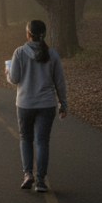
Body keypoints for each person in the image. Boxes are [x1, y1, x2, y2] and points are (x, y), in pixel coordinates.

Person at [6, 20, 68, 193]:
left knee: (26, 138)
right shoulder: (52, 54)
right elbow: (60, 82)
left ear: (28, 34)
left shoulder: (19, 53)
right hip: (47, 104)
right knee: (42, 142)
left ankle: (28, 175)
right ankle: (40, 181)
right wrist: (63, 104)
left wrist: (7, 73)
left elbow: (14, 79)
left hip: (25, 104)